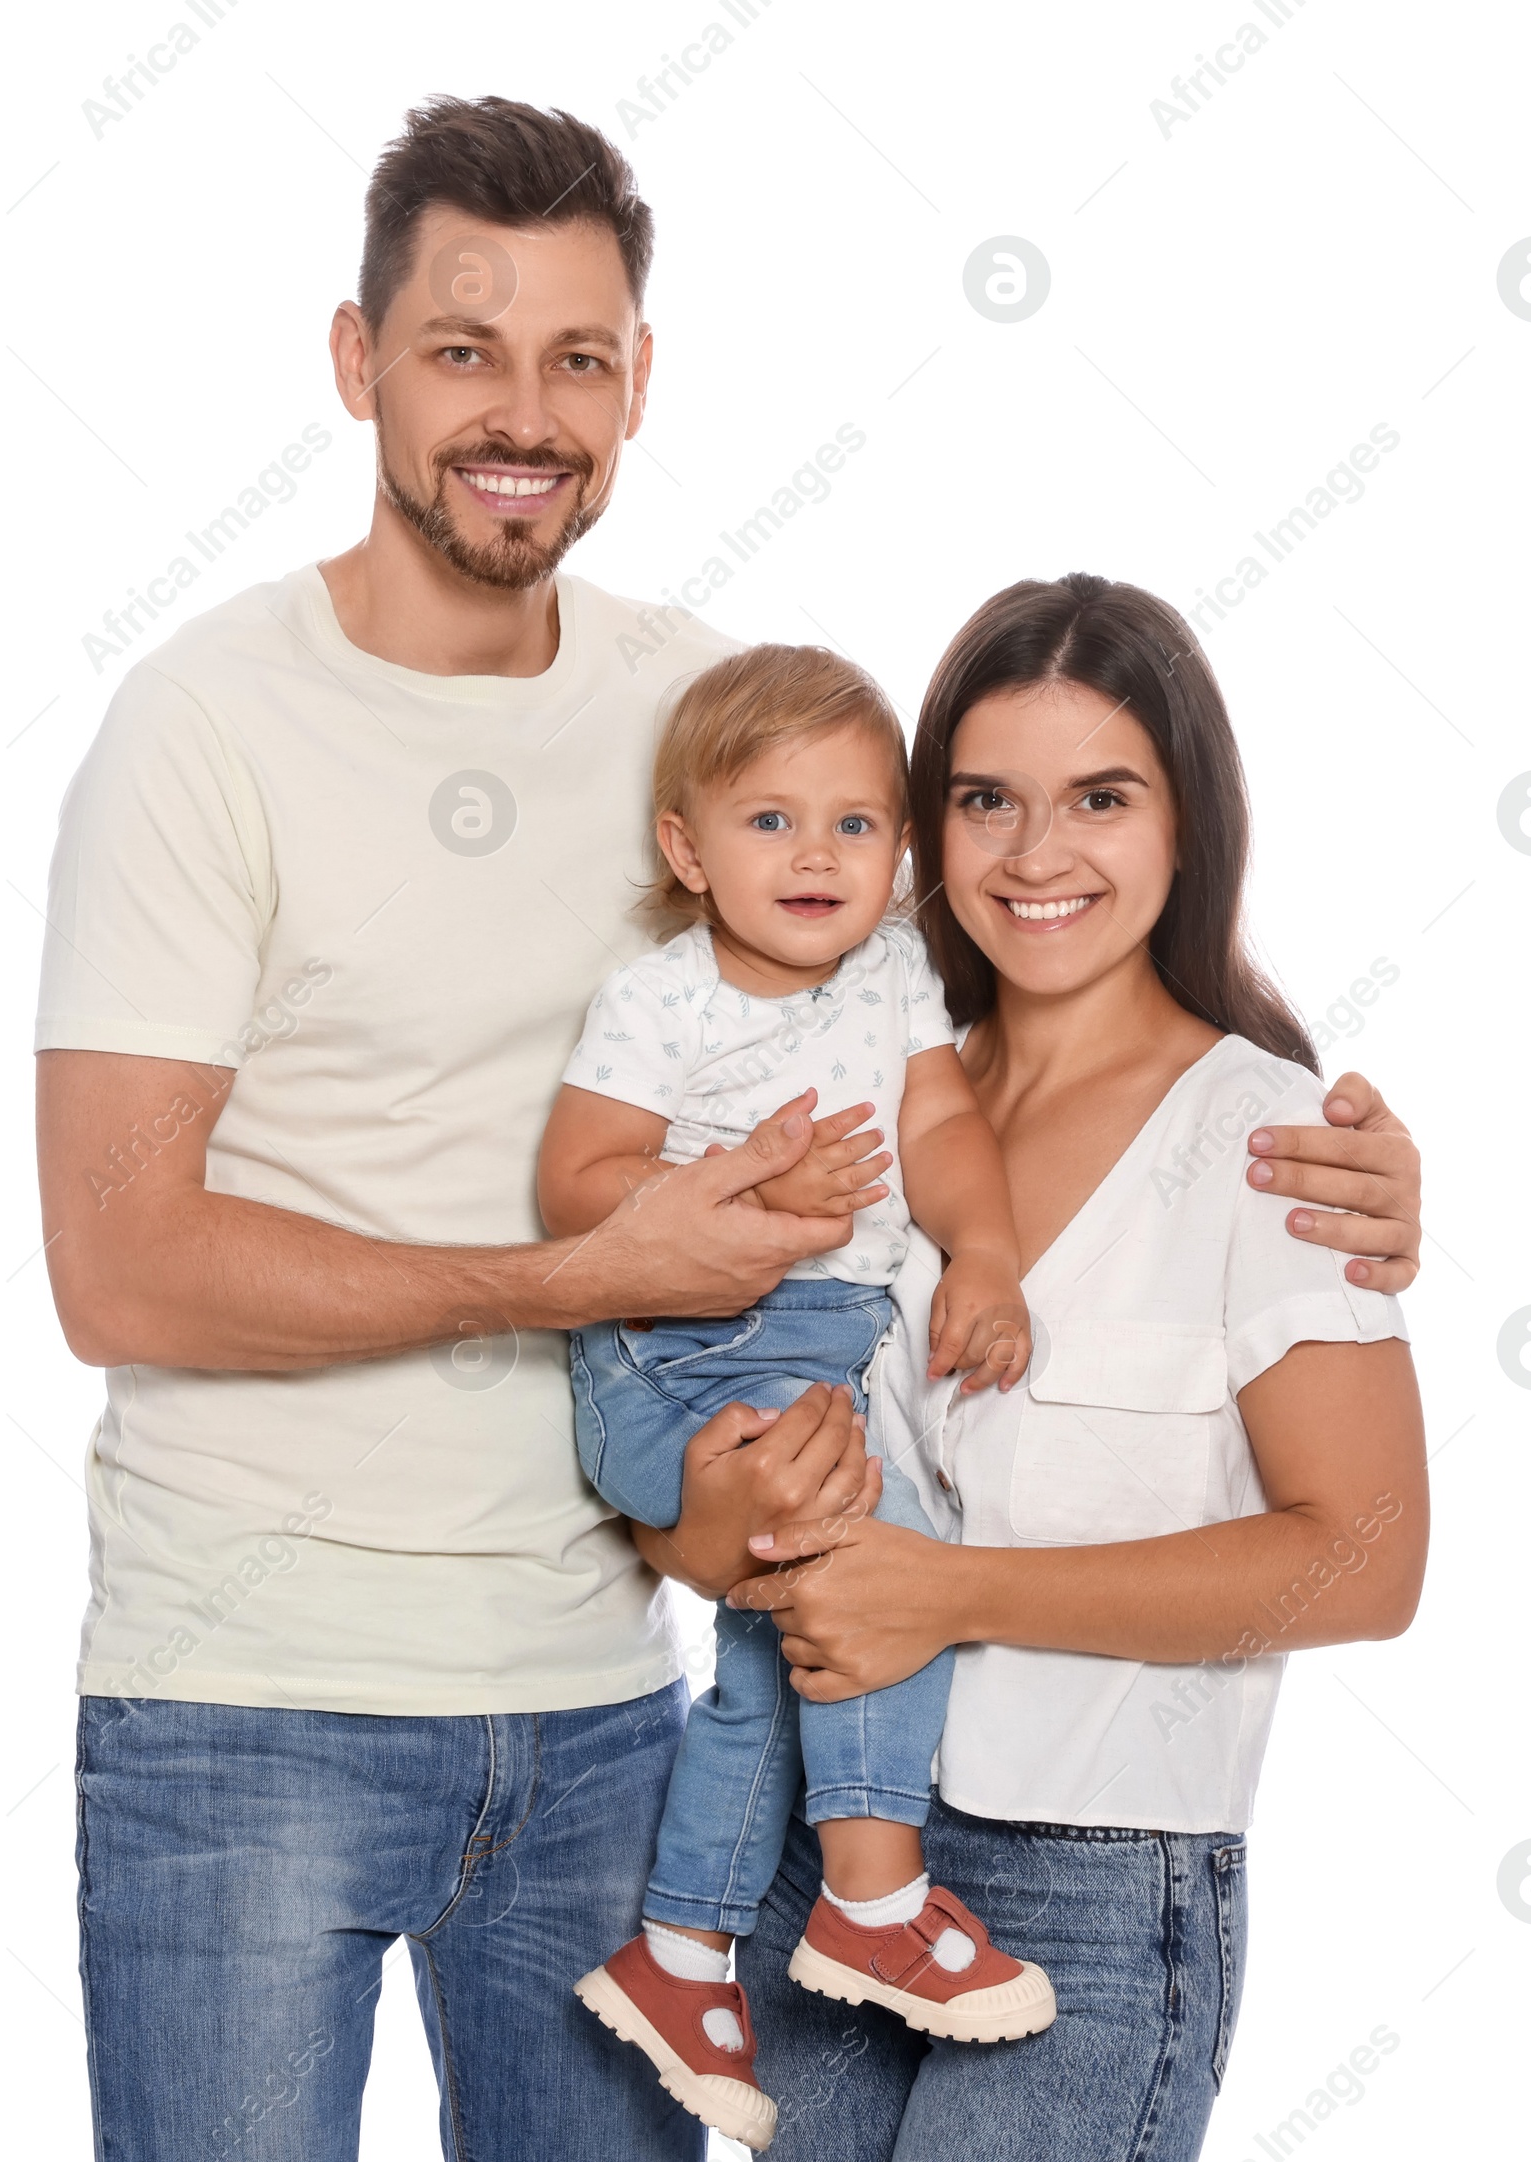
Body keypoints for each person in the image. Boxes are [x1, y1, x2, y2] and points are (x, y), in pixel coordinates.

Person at [32, 88, 1422, 2162]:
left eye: (575, 356)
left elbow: (972, 961)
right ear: (354, 362)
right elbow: (116, 1264)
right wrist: (589, 1273)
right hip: (252, 1699)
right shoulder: (205, 721)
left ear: (637, 383)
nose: (523, 410)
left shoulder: (706, 713)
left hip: (612, 1706)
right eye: (461, 349)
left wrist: (1328, 1141)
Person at [658, 573, 1424, 2160]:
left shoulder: (1269, 1144)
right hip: (826, 1853)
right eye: (987, 798)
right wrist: (714, 1517)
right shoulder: (855, 1091)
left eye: (1101, 797)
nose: (1037, 854)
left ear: (1186, 822)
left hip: (1094, 1876)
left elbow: (1366, 1555)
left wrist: (955, 1591)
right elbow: (676, 1402)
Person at [541, 644, 1051, 2150]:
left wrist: (993, 1250)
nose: (816, 855)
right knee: (865, 1536)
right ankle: (873, 1892)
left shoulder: (893, 968)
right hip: (677, 1343)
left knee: (776, 1658)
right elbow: (576, 1183)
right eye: (769, 822)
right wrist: (742, 1184)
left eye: (855, 821)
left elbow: (944, 1118)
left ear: (899, 852)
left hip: (812, 1341)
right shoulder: (662, 998)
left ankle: (687, 1950)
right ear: (686, 851)